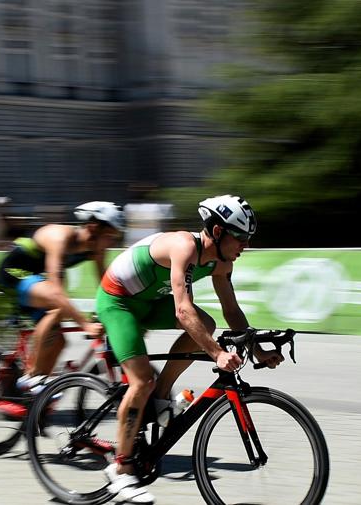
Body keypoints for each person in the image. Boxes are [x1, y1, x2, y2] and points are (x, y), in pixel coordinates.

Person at [95, 194, 283, 504]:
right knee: (141, 379)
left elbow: (232, 312)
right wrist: (217, 354)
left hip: (150, 302)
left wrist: (258, 351)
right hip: (119, 302)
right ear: (219, 232)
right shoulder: (184, 246)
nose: (245, 246)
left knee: (206, 323)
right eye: (241, 238)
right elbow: (183, 311)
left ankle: (161, 394)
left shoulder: (221, 262)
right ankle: (121, 467)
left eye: (248, 239)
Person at [0, 201, 122, 396]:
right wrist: (85, 324)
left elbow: (105, 285)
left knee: (59, 341)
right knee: (58, 304)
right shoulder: (60, 237)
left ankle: (35, 398)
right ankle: (30, 378)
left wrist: (121, 311)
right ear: (94, 227)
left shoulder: (95, 248)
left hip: (38, 279)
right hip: (14, 271)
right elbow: (55, 291)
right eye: (111, 236)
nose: (113, 242)